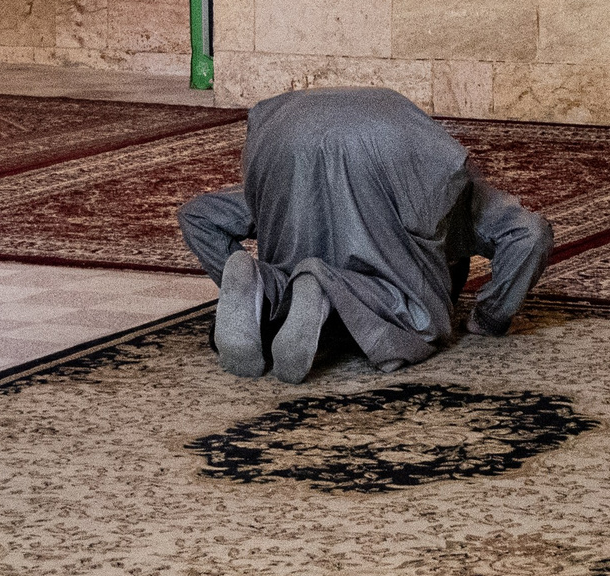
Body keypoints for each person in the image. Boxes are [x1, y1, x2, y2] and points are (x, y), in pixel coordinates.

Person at [176, 87, 554, 383]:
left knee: (287, 281)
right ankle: (321, 282)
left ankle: (258, 283)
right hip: (394, 144)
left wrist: (227, 272)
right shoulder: (453, 189)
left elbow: (199, 217)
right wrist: (489, 319)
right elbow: (530, 234)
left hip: (285, 130)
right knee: (421, 318)